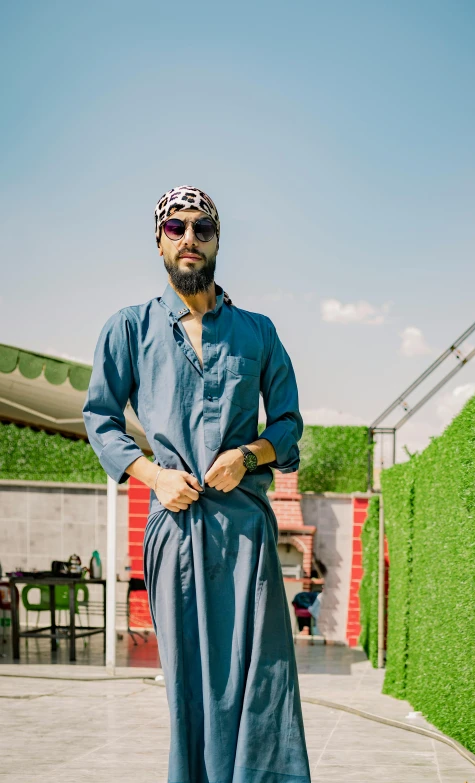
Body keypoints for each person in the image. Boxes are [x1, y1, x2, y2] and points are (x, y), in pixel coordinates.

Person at [82, 186, 311, 783]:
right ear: (159, 240)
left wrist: (248, 454)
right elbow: (100, 419)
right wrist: (153, 475)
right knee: (189, 681)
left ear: (216, 241)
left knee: (260, 677)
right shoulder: (128, 329)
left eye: (202, 229)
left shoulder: (258, 331)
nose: (190, 239)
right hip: (175, 529)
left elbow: (288, 424)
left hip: (246, 530)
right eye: (176, 227)